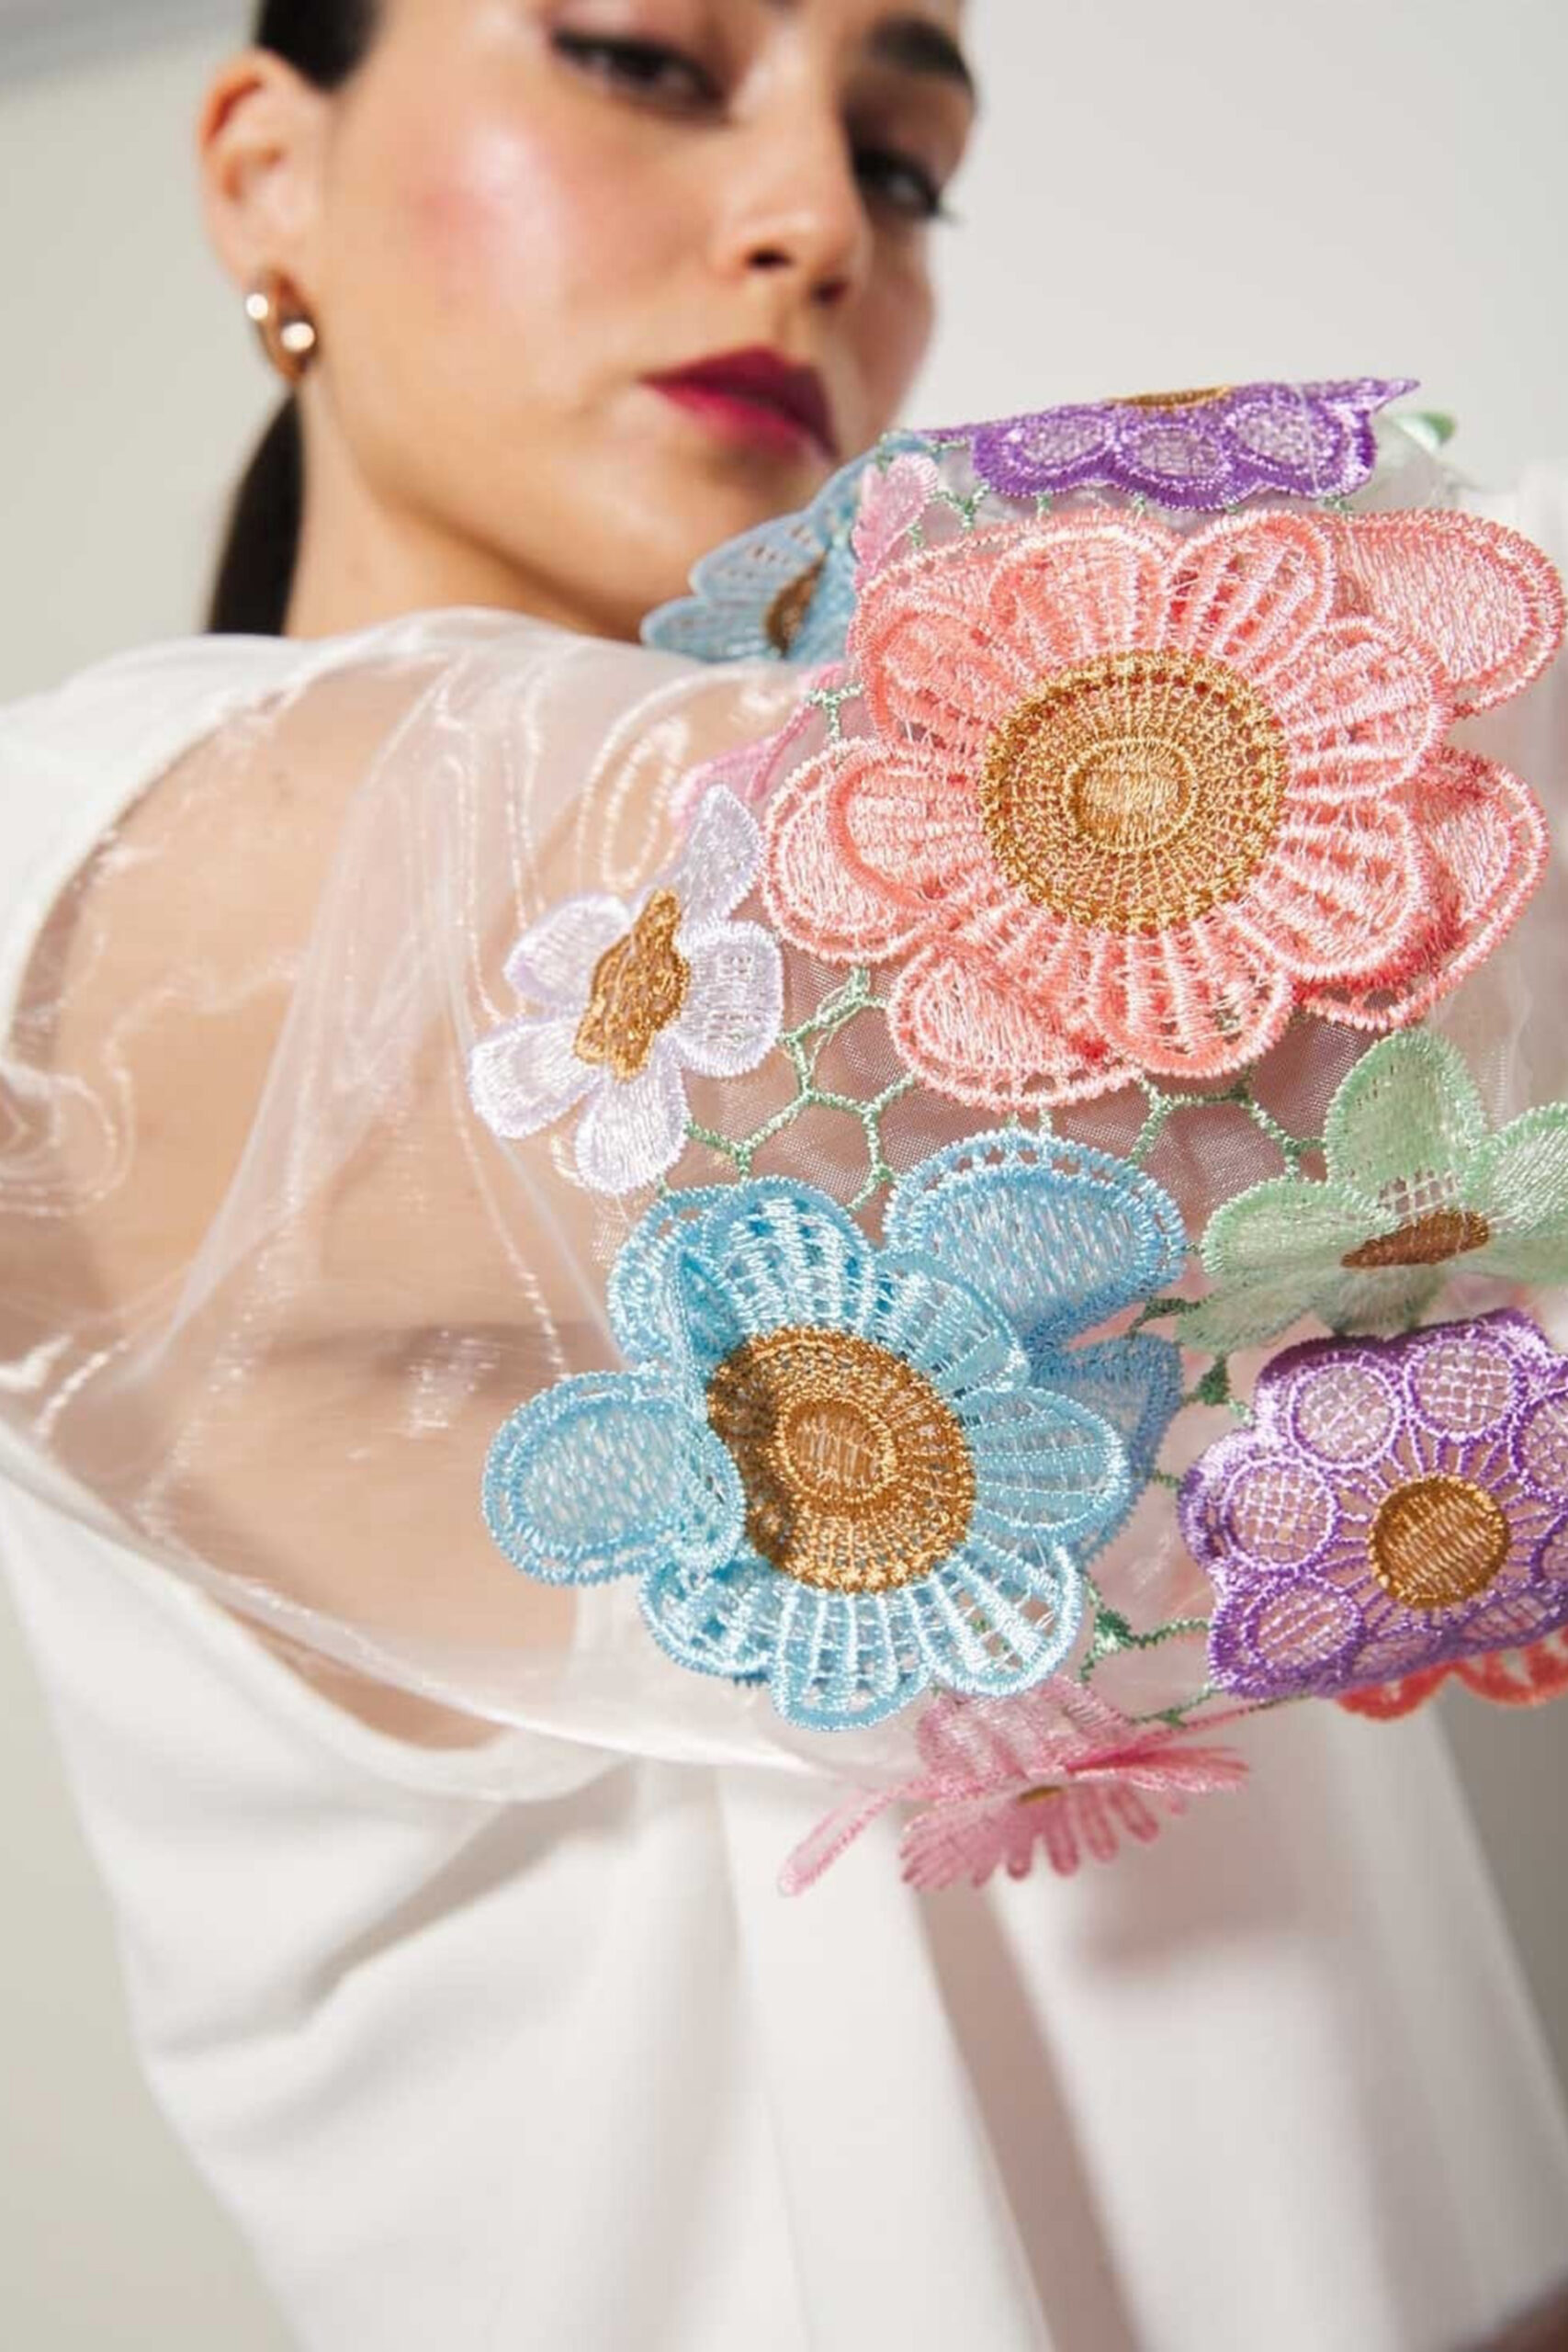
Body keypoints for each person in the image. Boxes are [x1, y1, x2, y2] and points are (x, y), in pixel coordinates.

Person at [1, 4, 1566, 2346]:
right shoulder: (91, 884)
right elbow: (1304, 922)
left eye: (902, 159)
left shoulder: (897, 791)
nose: (821, 222)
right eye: (641, 58)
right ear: (263, 171)